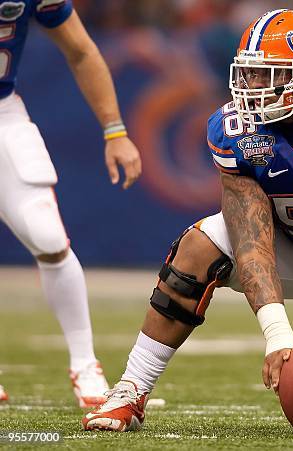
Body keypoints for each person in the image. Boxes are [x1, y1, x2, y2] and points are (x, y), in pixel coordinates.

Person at [82, 9, 293, 432]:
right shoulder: (236, 130)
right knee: (197, 245)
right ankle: (132, 389)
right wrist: (278, 335)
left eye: (272, 76)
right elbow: (249, 239)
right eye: (250, 75)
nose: (255, 89)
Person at [0, 0, 141, 407]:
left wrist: (115, 131)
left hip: (4, 112)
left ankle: (84, 364)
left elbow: (80, 50)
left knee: (48, 236)